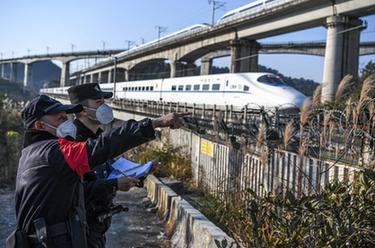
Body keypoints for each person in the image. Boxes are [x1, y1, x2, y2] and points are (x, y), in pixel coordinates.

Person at [7, 94, 189, 248]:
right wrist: (154, 123)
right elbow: (103, 146)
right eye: (60, 118)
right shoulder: (55, 151)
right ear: (39, 126)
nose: (67, 122)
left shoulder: (31, 152)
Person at [67, 83, 154, 248]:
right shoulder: (74, 143)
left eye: (105, 102)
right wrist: (113, 184)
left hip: (98, 224)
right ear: (83, 110)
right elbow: (75, 190)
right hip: (80, 226)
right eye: (99, 103)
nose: (105, 107)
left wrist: (136, 172)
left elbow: (106, 171)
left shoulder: (100, 137)